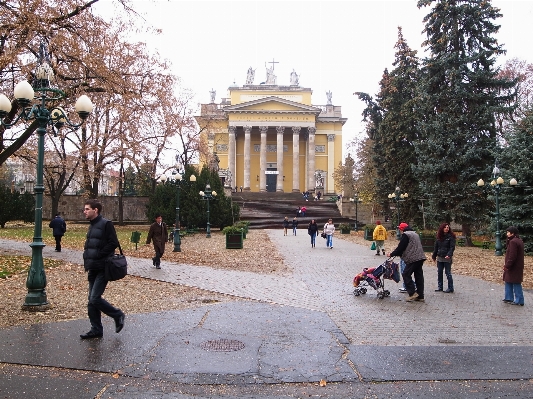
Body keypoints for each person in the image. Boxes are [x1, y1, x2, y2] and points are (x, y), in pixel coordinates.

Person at [80, 199, 125, 339]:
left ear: (96, 210)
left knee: (94, 298)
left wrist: (100, 254)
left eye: (87, 209)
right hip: (92, 267)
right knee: (91, 300)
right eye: (85, 209)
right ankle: (96, 329)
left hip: (102, 267)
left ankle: (118, 315)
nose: (84, 211)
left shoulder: (106, 224)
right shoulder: (92, 225)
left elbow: (113, 243)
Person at [389, 222, 426, 302]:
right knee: (418, 276)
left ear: (402, 229)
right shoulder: (415, 234)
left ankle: (412, 293)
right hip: (420, 257)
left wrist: (392, 254)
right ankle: (420, 295)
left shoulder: (406, 235)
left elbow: (401, 247)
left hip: (413, 258)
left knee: (406, 274)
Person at [503, 226, 525, 306]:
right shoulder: (518, 240)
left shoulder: (513, 242)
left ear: (512, 233)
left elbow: (512, 255)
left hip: (514, 266)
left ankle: (519, 299)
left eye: (508, 232)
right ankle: (508, 297)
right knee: (508, 280)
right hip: (517, 265)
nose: (507, 234)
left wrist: (507, 265)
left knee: (515, 282)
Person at [432, 223, 456, 293]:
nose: (446, 228)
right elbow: (436, 247)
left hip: (447, 257)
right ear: (442, 228)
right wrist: (434, 255)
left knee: (448, 272)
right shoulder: (439, 237)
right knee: (439, 272)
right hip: (440, 256)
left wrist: (449, 254)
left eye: (447, 227)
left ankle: (450, 287)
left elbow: (452, 247)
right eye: (445, 227)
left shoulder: (451, 237)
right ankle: (440, 287)